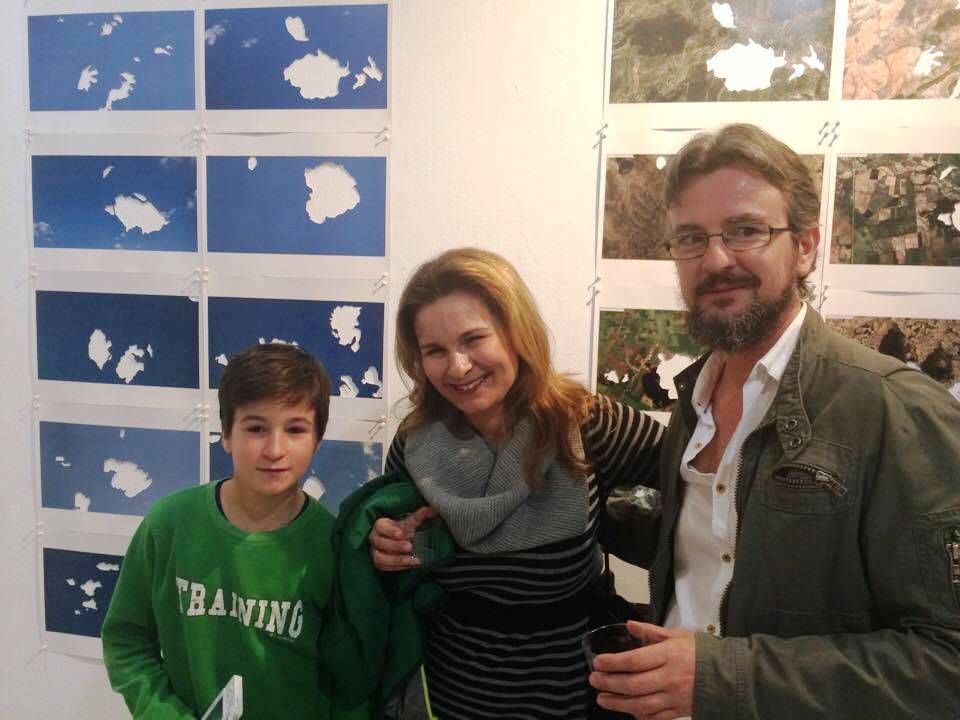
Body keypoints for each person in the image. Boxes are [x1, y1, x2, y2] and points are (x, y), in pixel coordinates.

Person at [590, 123, 960, 718]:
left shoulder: (896, 410)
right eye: (691, 238)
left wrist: (721, 677)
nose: (715, 259)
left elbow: (946, 662)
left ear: (806, 246)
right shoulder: (692, 402)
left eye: (746, 230)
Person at [367, 248, 663, 719]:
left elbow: (699, 485)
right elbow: (410, 557)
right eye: (435, 351)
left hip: (574, 700)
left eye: (474, 339)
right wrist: (386, 546)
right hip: (449, 697)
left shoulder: (585, 423)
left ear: (516, 333)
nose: (458, 367)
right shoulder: (414, 443)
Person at [102, 344, 364, 719]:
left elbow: (353, 682)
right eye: (256, 428)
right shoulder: (168, 524)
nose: (274, 449)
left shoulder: (334, 546)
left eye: (295, 429)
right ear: (226, 434)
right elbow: (126, 638)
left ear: (317, 440)